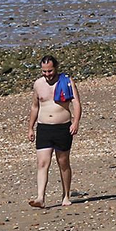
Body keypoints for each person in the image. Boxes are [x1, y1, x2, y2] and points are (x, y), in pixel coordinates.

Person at [27, 55, 81, 208]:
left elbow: (76, 103)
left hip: (62, 127)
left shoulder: (67, 81)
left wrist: (76, 122)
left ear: (56, 68)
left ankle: (66, 195)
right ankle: (40, 198)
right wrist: (30, 127)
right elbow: (35, 107)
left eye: (50, 71)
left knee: (63, 162)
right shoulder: (38, 84)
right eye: (44, 71)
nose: (47, 74)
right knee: (42, 163)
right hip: (44, 127)